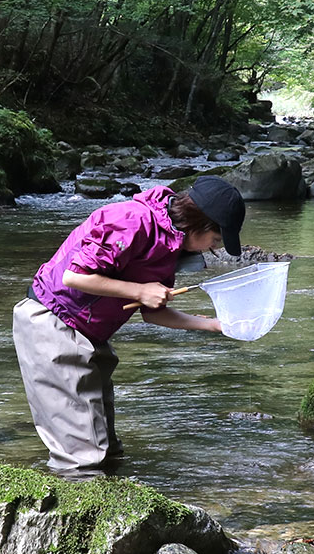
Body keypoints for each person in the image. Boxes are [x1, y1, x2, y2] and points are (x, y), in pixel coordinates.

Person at [13, 175, 246, 471]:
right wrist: (140, 290)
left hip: (89, 335)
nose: (211, 248)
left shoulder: (170, 244)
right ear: (199, 222)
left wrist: (214, 325)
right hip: (52, 324)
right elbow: (75, 277)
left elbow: (152, 312)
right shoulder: (131, 220)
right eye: (214, 240)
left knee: (108, 451)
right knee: (81, 457)